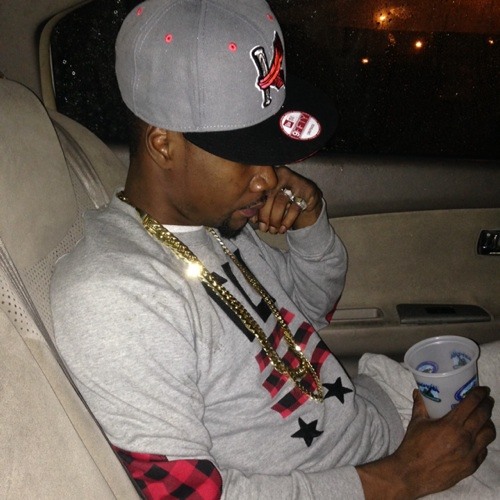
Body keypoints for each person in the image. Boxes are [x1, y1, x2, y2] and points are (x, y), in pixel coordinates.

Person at [50, 0, 498, 498]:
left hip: (379, 417)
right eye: (244, 153)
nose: (268, 177)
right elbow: (189, 495)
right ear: (163, 144)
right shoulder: (116, 296)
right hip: (376, 479)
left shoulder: (210, 224)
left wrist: (310, 226)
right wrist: (404, 476)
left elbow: (308, 315)